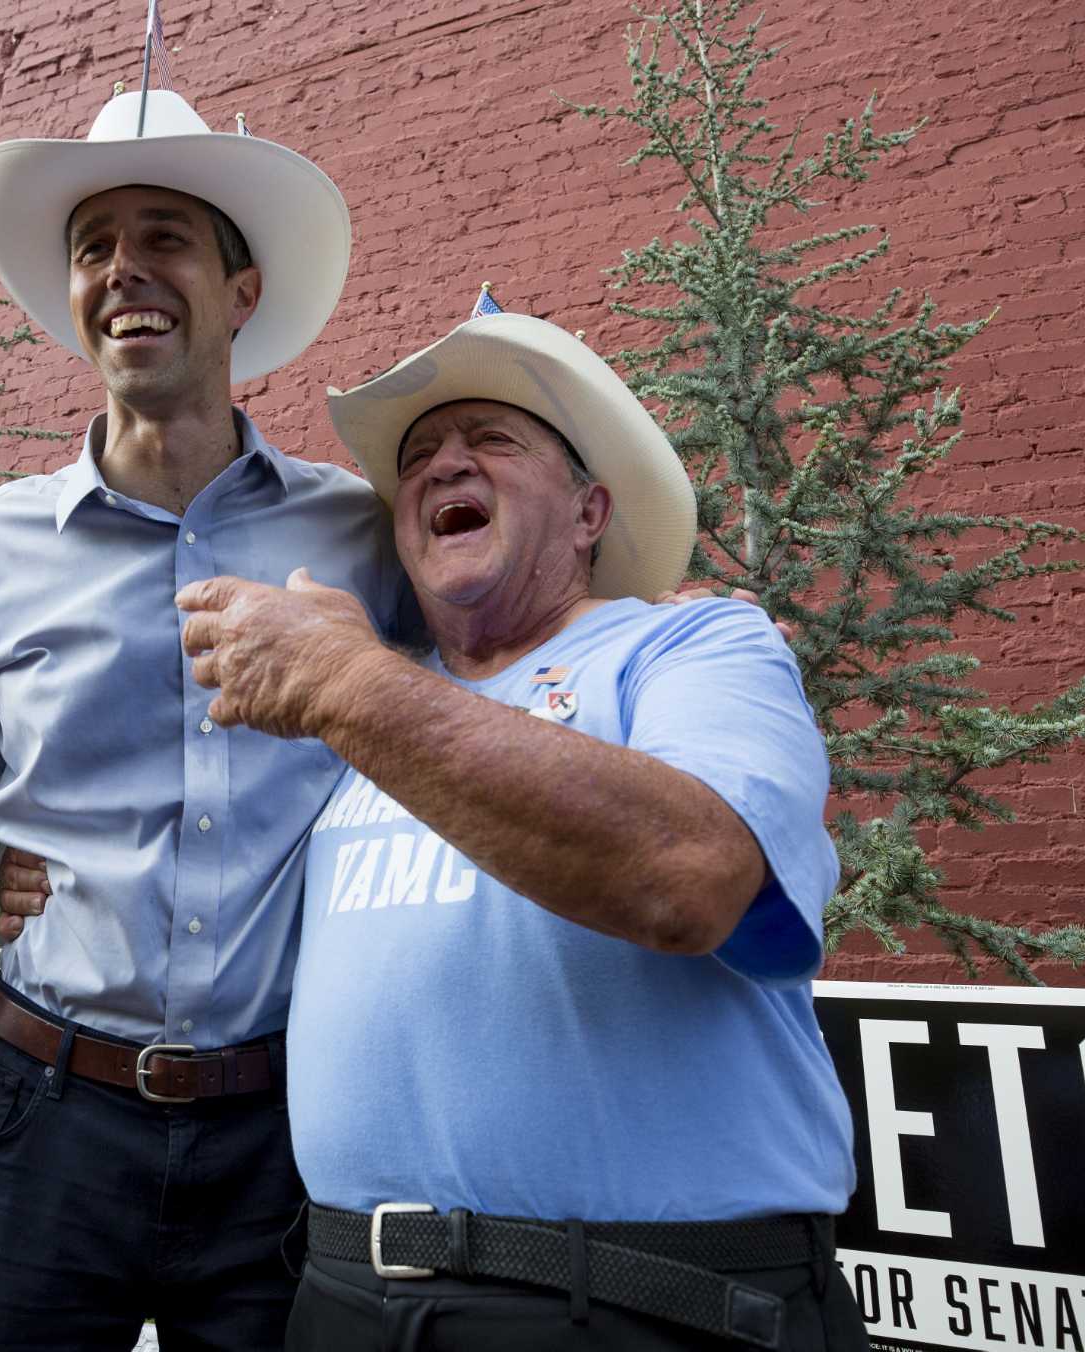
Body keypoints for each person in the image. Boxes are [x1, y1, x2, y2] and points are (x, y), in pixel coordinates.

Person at [0, 81, 403, 1352]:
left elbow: (495, 682)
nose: (125, 268)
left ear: (240, 291)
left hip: (291, 1128)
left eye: (164, 234)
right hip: (39, 1112)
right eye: (93, 246)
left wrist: (642, 596)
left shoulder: (358, 533)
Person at [166, 309, 865, 1349]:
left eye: (491, 438)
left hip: (633, 1300)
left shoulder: (692, 641)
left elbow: (690, 872)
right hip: (344, 1296)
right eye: (417, 458)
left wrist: (350, 682)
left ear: (588, 510)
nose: (443, 461)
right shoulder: (373, 706)